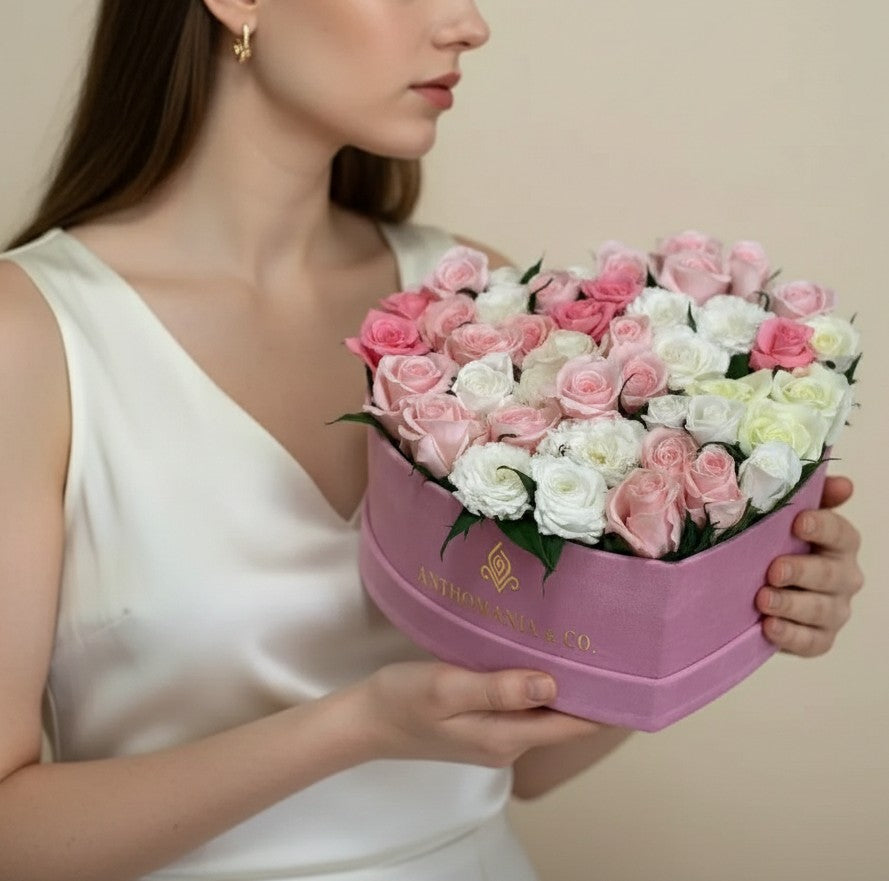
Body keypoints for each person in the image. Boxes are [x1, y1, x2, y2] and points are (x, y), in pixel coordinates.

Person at [0, 2, 865, 880]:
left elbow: (525, 760)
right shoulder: (32, 334)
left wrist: (736, 606)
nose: (469, 25)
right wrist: (356, 726)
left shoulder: (480, 317)